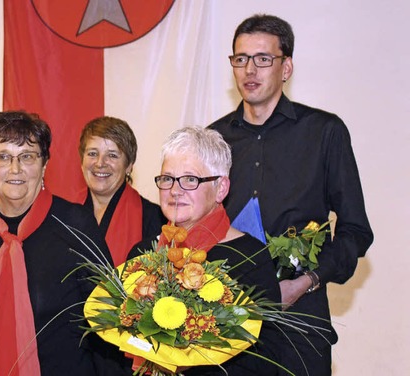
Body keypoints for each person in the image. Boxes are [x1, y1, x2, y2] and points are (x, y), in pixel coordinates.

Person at [208, 14, 374, 376]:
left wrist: (305, 282)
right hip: (224, 321)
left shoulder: (324, 132)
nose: (250, 69)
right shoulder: (213, 139)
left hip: (299, 320)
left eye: (263, 59)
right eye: (240, 59)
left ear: (286, 68)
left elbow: (356, 231)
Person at [0, 111, 125, 375]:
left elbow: (107, 320)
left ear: (44, 164)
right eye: (3, 157)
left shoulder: (76, 225)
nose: (15, 169)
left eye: (27, 156)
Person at [128, 127, 282, 375]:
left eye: (191, 179)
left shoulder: (249, 258)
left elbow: (267, 357)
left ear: (221, 188)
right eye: (167, 178)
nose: (175, 190)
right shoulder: (143, 252)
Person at [74, 116, 165, 265]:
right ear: (82, 161)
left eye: (112, 155)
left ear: (129, 165)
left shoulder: (155, 219)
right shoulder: (62, 214)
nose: (100, 163)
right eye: (92, 153)